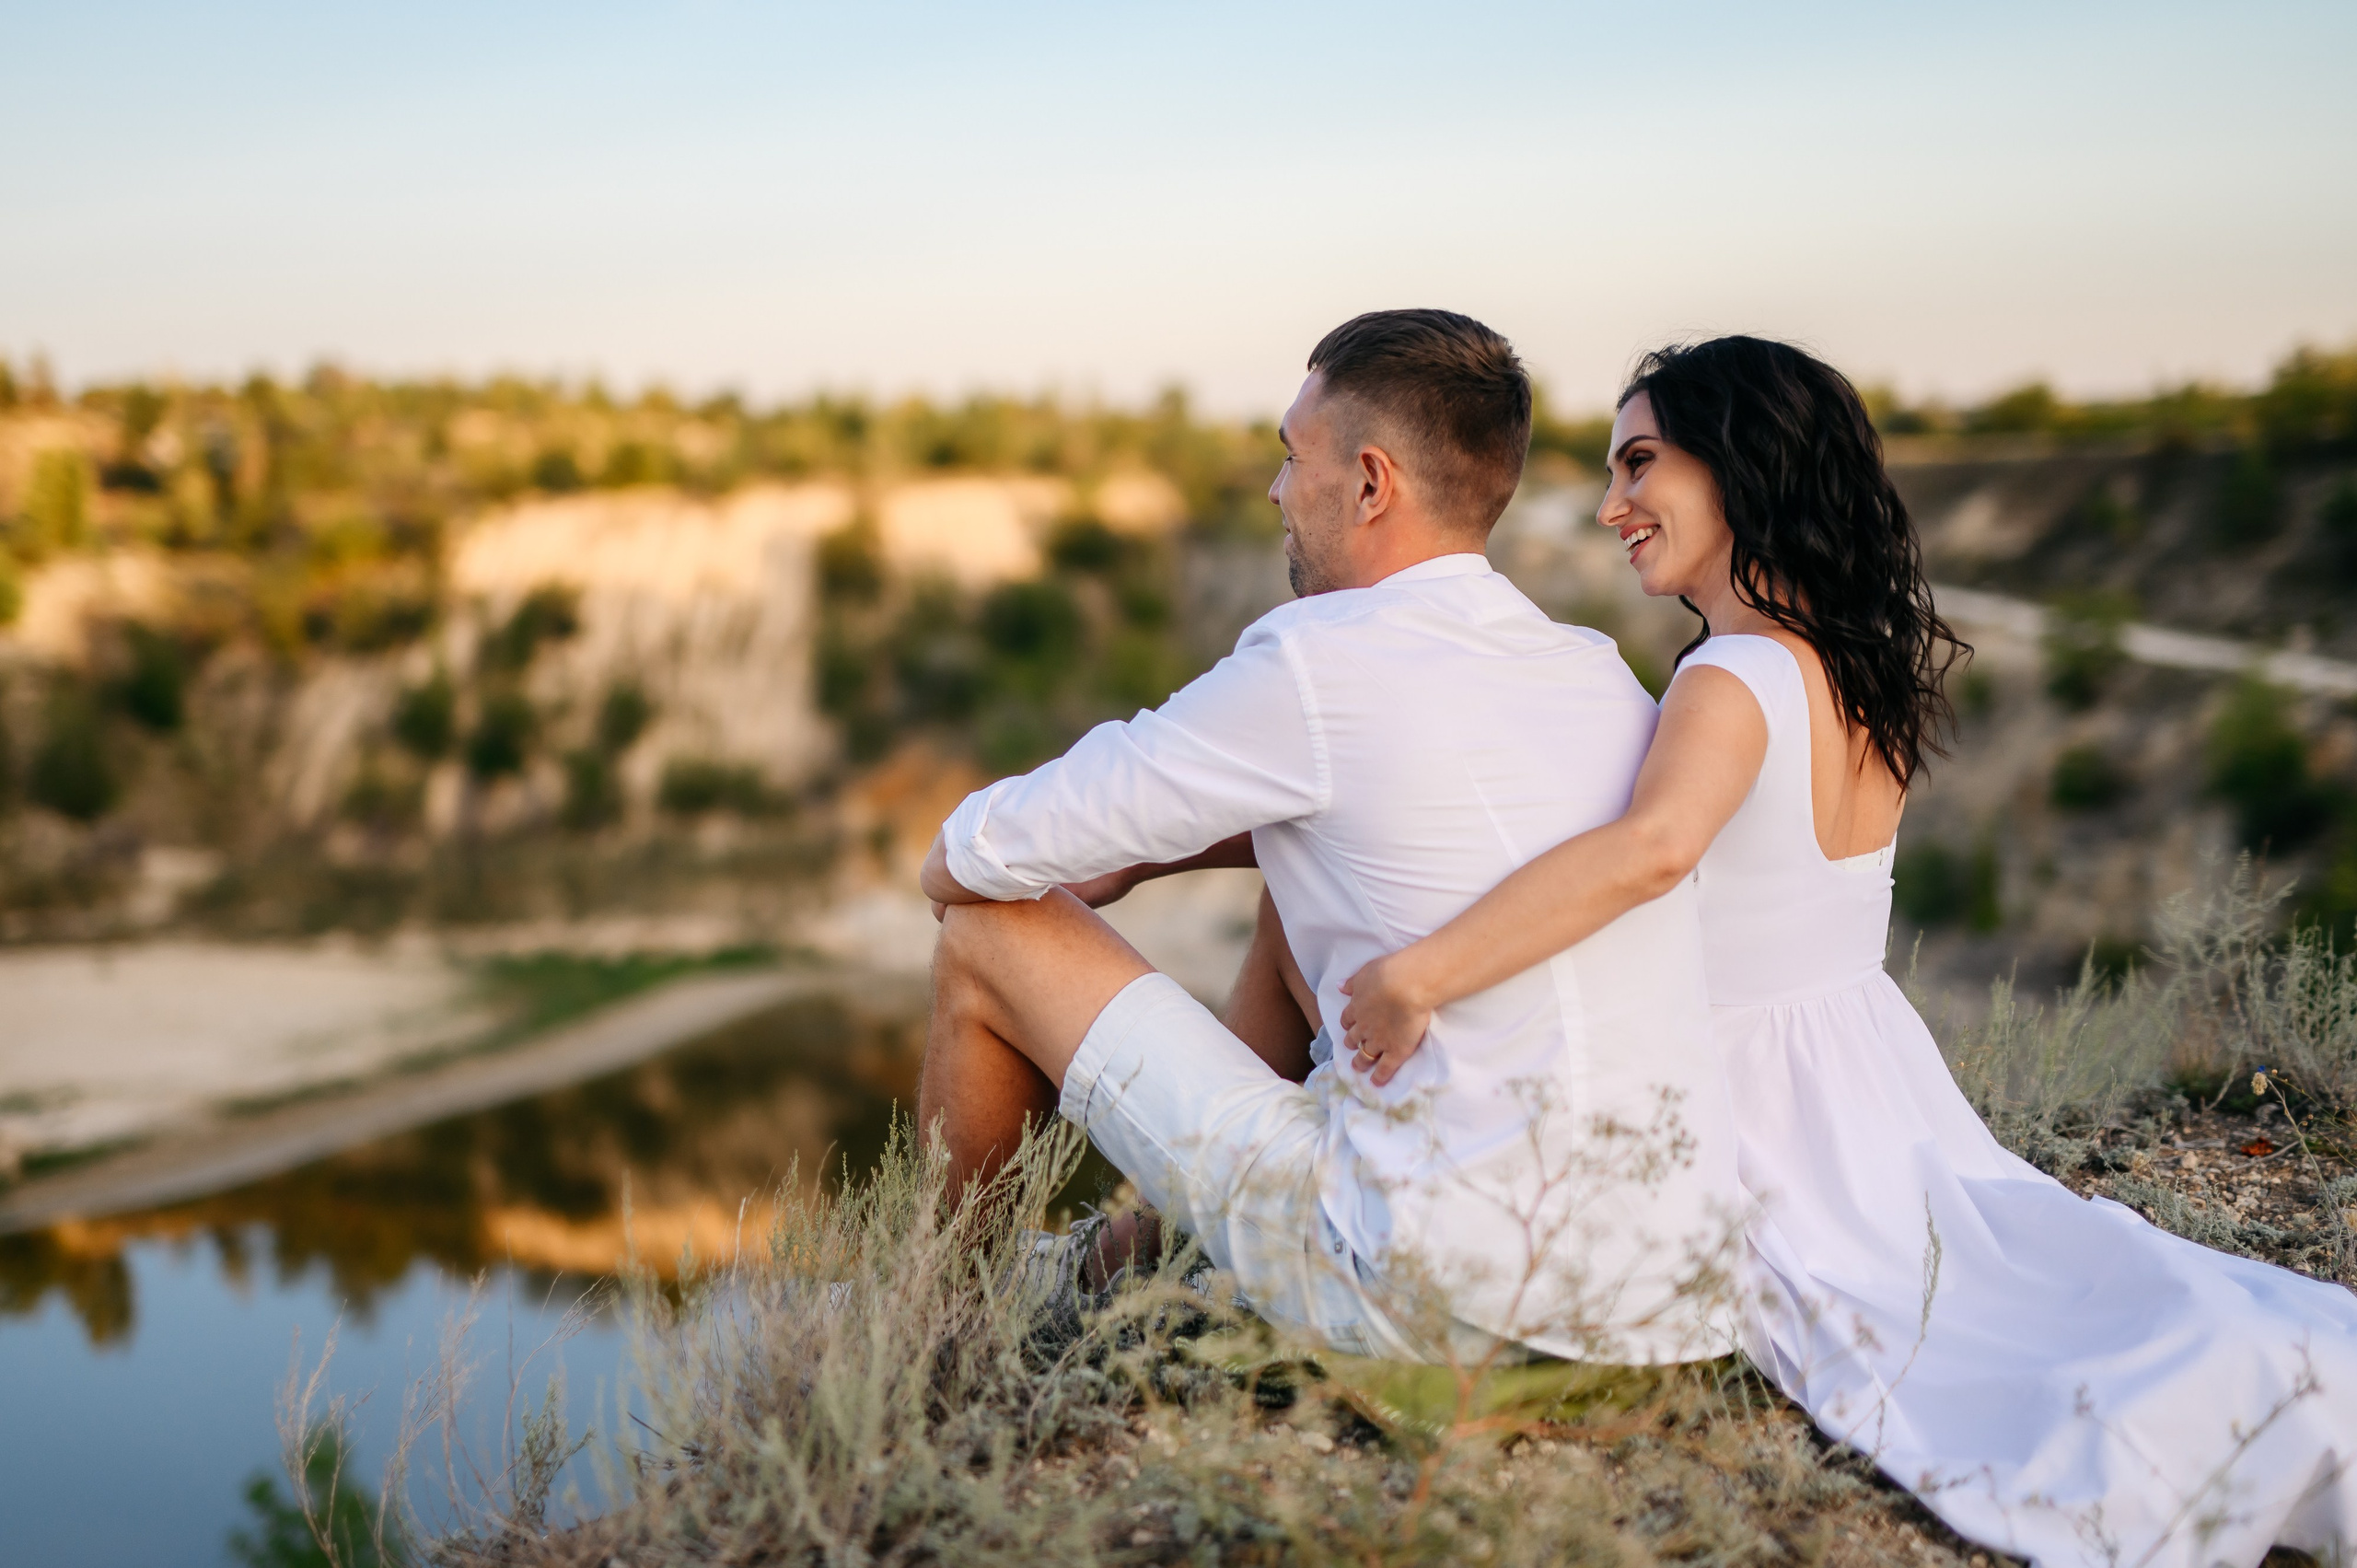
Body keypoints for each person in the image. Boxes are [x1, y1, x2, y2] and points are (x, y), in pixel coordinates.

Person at [1329, 335, 2357, 1568]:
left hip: (1756, 1095)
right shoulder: (1852, 668)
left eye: (1639, 463)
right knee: (2006, 1284)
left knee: (1934, 1338)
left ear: (1738, 464)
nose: (1611, 505)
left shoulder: (1729, 674)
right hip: (1866, 1068)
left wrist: (1420, 971)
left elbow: (1654, 849)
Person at [917, 308, 1739, 1365]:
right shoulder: (1590, 666)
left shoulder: (1317, 657)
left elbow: (981, 852)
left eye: (1289, 456)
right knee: (1294, 864)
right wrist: (1183, 845)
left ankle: (941, 1317)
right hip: (1661, 1300)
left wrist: (986, 868)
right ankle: (1130, 1255)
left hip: (1445, 1304)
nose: (1274, 492)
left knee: (988, 930)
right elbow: (1396, 823)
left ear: (1368, 483)